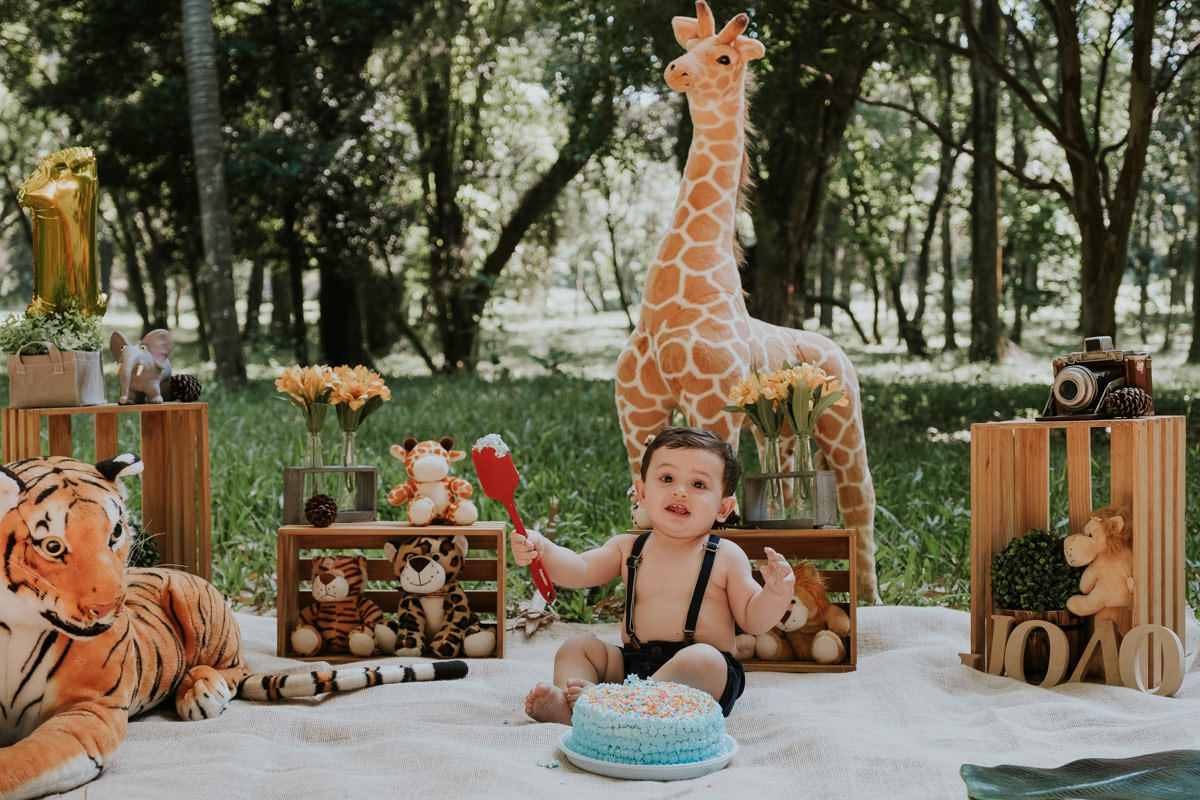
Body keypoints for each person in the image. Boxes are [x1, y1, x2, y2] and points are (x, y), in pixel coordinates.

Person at [515, 426, 796, 724]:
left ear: (723, 508)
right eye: (667, 479)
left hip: (693, 678)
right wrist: (543, 548)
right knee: (577, 647)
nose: (680, 491)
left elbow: (753, 619)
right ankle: (575, 707)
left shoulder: (725, 555)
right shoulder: (628, 548)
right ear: (643, 492)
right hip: (633, 665)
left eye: (698, 484)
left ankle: (613, 707)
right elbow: (579, 570)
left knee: (704, 659)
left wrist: (776, 593)